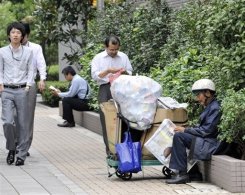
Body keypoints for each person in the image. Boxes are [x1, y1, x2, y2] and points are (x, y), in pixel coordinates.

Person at [165, 79, 221, 184]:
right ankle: (195, 174)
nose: (197, 98)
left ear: (208, 93)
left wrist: (186, 130)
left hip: (210, 143)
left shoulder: (215, 108)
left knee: (179, 137)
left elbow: (206, 131)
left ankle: (182, 175)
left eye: (198, 94)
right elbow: (204, 128)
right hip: (206, 140)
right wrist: (186, 128)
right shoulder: (210, 106)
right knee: (181, 134)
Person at [91, 35, 133, 155]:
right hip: (105, 88)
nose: (114, 52)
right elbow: (95, 76)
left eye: (116, 49)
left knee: (124, 117)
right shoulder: (98, 58)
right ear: (106, 47)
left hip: (122, 88)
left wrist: (125, 72)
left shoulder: (123, 56)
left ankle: (124, 148)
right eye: (111, 50)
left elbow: (130, 71)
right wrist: (109, 71)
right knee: (107, 118)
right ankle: (110, 149)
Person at [0, 21, 34, 166]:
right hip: (6, 90)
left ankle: (21, 154)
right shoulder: (2, 51)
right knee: (8, 122)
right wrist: (1, 85)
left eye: (18, 33)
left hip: (22, 90)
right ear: (9, 35)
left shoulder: (29, 52)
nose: (15, 35)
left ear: (22, 36)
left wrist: (28, 86)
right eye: (13, 32)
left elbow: (32, 70)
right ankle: (11, 149)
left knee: (23, 124)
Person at [15, 22, 47, 156]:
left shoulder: (35, 48)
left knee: (27, 117)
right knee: (14, 116)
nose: (19, 39)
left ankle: (24, 146)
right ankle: (17, 143)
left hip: (29, 85)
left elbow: (41, 63)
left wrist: (42, 79)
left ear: (27, 35)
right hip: (12, 86)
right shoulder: (10, 48)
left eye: (22, 36)